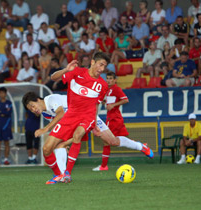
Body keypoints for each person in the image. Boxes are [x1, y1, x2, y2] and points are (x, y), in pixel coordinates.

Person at [22, 90, 153, 181]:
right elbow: (61, 124)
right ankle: (63, 176)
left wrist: (45, 129)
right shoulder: (46, 114)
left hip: (88, 115)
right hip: (76, 123)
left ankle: (141, 146)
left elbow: (61, 114)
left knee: (113, 141)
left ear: (38, 100)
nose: (34, 110)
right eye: (31, 109)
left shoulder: (50, 100)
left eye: (33, 106)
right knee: (60, 144)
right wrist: (66, 140)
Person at [35, 52, 110, 184]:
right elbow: (53, 77)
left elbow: (96, 105)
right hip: (70, 114)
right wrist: (65, 69)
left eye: (105, 66)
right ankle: (58, 175)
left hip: (88, 116)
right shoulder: (77, 72)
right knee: (46, 149)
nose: (102, 69)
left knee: (77, 135)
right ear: (93, 62)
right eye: (101, 64)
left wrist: (95, 124)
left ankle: (67, 173)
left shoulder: (102, 85)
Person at [92, 71, 153, 171]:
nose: (109, 80)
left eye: (111, 78)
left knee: (107, 142)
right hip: (112, 118)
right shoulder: (108, 90)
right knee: (113, 141)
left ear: (115, 80)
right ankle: (140, 146)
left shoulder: (116, 89)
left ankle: (104, 166)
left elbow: (125, 99)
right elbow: (109, 101)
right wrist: (105, 102)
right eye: (107, 78)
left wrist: (113, 105)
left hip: (114, 119)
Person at [0, 87, 13, 167]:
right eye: (0, 93)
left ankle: (6, 159)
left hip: (6, 126)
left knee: (6, 143)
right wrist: (3, 112)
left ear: (5, 93)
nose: (1, 94)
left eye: (3, 93)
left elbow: (9, 113)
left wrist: (0, 112)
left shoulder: (9, 102)